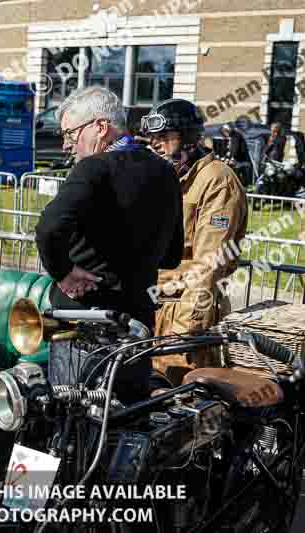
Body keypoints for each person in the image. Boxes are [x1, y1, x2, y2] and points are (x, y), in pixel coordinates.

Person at [34, 86, 184, 405]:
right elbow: (172, 255)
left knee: (65, 412)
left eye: (71, 135)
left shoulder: (93, 167)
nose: (66, 145)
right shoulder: (166, 171)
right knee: (126, 417)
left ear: (100, 127)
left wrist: (62, 271)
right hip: (137, 315)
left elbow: (48, 227)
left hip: (78, 313)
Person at [142, 98, 248, 386]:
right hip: (150, 307)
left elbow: (208, 266)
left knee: (177, 404)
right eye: (153, 138)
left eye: (165, 138)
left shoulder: (217, 181)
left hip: (184, 309)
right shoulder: (166, 176)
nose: (156, 145)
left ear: (189, 139)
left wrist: (184, 334)